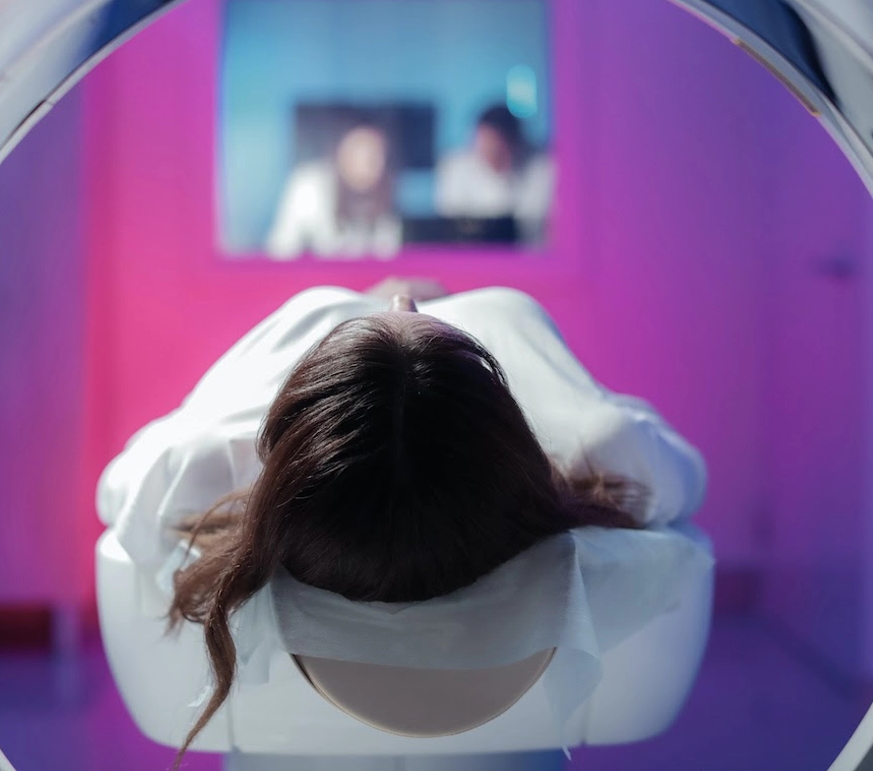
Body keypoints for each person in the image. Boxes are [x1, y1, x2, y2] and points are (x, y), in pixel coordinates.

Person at [95, 281, 707, 765]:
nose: (400, 296)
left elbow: (116, 494)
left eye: (395, 311)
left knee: (317, 307)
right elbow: (691, 480)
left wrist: (228, 446)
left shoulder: (205, 462)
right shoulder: (605, 447)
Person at [265, 120, 403, 259]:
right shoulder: (309, 185)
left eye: (373, 155)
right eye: (356, 151)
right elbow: (281, 249)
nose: (364, 162)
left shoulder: (386, 197)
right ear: (340, 152)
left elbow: (386, 257)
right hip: (312, 278)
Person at [434, 104, 555, 244]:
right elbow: (452, 226)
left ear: (514, 143)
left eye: (497, 148)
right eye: (484, 144)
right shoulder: (456, 168)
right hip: (475, 259)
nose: (488, 152)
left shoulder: (543, 168)